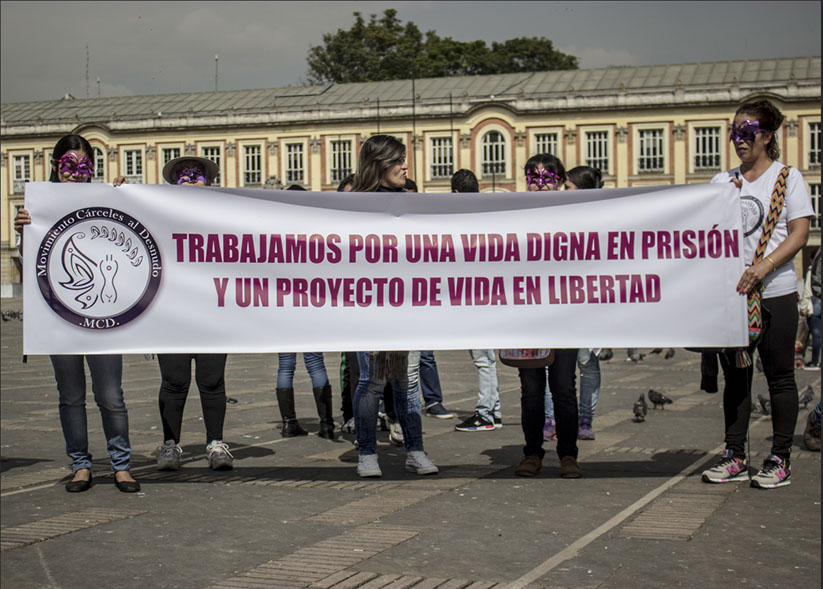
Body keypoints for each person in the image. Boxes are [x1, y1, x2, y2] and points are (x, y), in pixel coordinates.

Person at [13, 134, 140, 493]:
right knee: (70, 396)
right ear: (56, 165)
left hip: (105, 317)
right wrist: (24, 232)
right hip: (59, 316)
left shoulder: (105, 197)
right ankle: (81, 465)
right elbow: (29, 263)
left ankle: (121, 465)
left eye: (84, 166)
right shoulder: (39, 206)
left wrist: (128, 198)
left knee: (111, 395)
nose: (76, 172)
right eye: (69, 164)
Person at [701, 99, 813, 489]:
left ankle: (779, 459)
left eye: (747, 131)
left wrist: (764, 267)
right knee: (736, 377)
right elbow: (701, 232)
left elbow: (799, 233)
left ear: (767, 136)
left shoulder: (788, 178)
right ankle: (735, 455)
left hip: (775, 293)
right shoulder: (722, 181)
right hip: (733, 296)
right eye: (735, 131)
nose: (739, 139)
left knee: (780, 377)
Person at [350, 134, 438, 477]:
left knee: (407, 381)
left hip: (407, 307)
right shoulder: (354, 207)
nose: (406, 166)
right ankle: (367, 453)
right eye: (399, 160)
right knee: (372, 381)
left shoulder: (412, 203)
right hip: (369, 308)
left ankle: (415, 450)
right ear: (380, 164)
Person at [155, 156, 235, 471]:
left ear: (210, 184)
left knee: (212, 381)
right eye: (183, 176)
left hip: (211, 310)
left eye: (197, 176)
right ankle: (170, 445)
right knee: (173, 381)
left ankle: (215, 443)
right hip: (171, 312)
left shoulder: (223, 217)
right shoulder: (158, 216)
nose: (190, 181)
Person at [514, 154, 582, 478]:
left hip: (565, 317)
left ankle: (568, 454)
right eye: (533, 177)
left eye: (547, 177)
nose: (540, 184)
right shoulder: (514, 218)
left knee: (564, 388)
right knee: (531, 391)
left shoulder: (574, 218)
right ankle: (532, 452)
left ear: (561, 181)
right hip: (526, 319)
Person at [270, 184, 336, 439]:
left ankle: (289, 423)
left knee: (285, 366)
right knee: (315, 363)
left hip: (283, 307)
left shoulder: (275, 236)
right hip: (310, 306)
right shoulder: (314, 235)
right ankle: (327, 425)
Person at [449, 169, 503, 432]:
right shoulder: (488, 217)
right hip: (489, 295)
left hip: (473, 298)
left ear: (456, 193)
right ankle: (495, 411)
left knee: (482, 359)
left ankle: (485, 414)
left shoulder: (461, 222)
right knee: (487, 358)